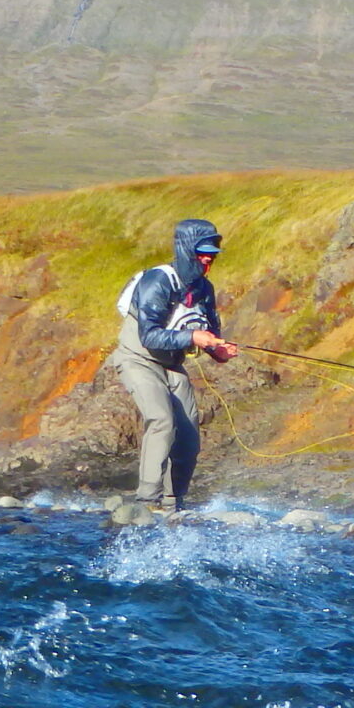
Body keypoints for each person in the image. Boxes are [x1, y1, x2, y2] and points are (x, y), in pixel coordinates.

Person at [112, 218, 238, 511]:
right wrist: (194, 336)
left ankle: (173, 503)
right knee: (162, 421)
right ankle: (146, 502)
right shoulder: (158, 280)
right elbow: (150, 335)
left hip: (172, 365)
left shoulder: (205, 288)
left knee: (189, 436)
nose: (208, 258)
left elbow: (209, 331)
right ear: (184, 249)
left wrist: (217, 349)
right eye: (201, 251)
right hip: (137, 359)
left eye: (213, 252)